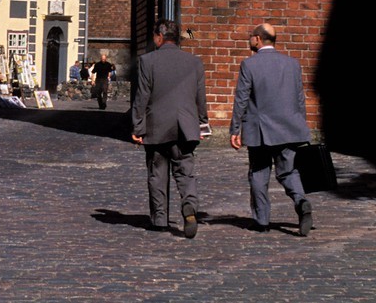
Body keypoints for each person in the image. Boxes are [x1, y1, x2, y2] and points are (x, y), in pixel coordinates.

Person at [229, 22, 314, 236]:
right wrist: (300, 125)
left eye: (251, 36)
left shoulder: (250, 65)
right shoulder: (292, 64)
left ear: (257, 39)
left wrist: (235, 129)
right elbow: (299, 99)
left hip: (260, 130)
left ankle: (262, 220)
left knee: (258, 173)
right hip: (289, 128)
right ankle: (301, 200)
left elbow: (242, 99)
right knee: (289, 171)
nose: (250, 39)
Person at [130, 21, 209, 237]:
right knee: (186, 172)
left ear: (159, 37)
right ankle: (190, 206)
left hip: (157, 126)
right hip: (185, 126)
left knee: (157, 172)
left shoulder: (148, 61)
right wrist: (202, 123)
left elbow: (142, 97)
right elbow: (200, 97)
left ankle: (159, 219)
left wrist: (138, 126)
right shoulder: (194, 62)